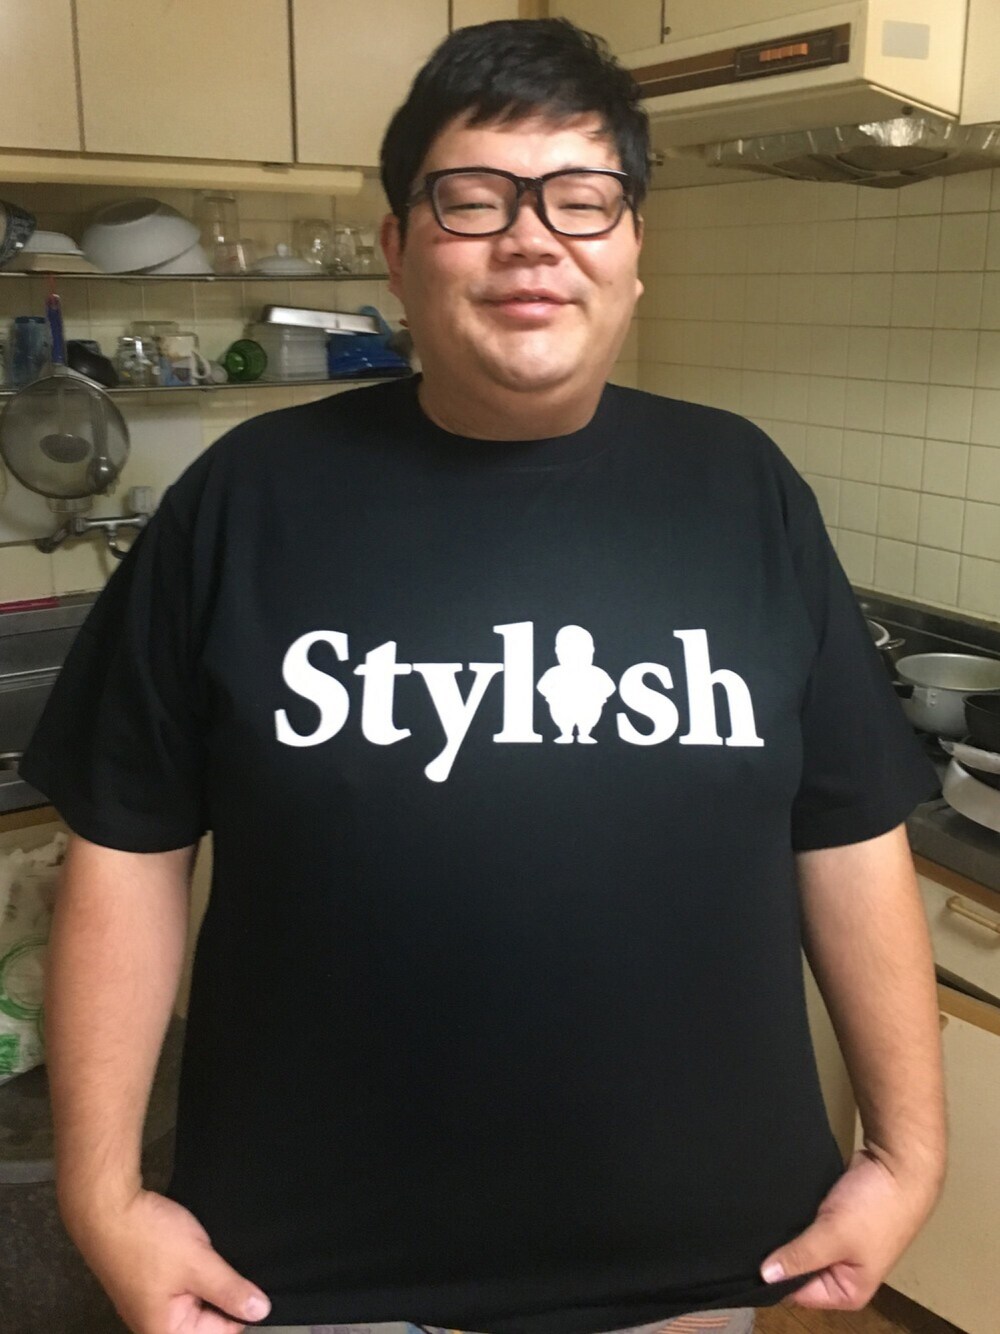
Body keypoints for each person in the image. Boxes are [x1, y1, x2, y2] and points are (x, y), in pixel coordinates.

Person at [20, 18, 947, 1334]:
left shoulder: (744, 489)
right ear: (400, 249)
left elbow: (850, 835)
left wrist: (908, 1152)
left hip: (690, 1269)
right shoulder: (245, 500)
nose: (532, 239)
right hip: (304, 1276)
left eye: (582, 198)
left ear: (635, 248)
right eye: (474, 198)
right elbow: (126, 848)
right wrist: (101, 1192)